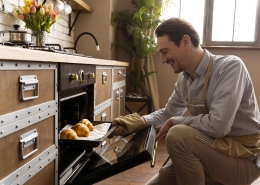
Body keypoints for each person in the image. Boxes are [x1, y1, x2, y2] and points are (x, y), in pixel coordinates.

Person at [111, 17, 260, 185]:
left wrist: (176, 122)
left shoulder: (230, 67)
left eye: (165, 51)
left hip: (243, 160)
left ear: (185, 41)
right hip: (208, 151)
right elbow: (168, 112)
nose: (163, 60)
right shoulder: (184, 79)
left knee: (177, 135)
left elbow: (218, 125)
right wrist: (140, 121)